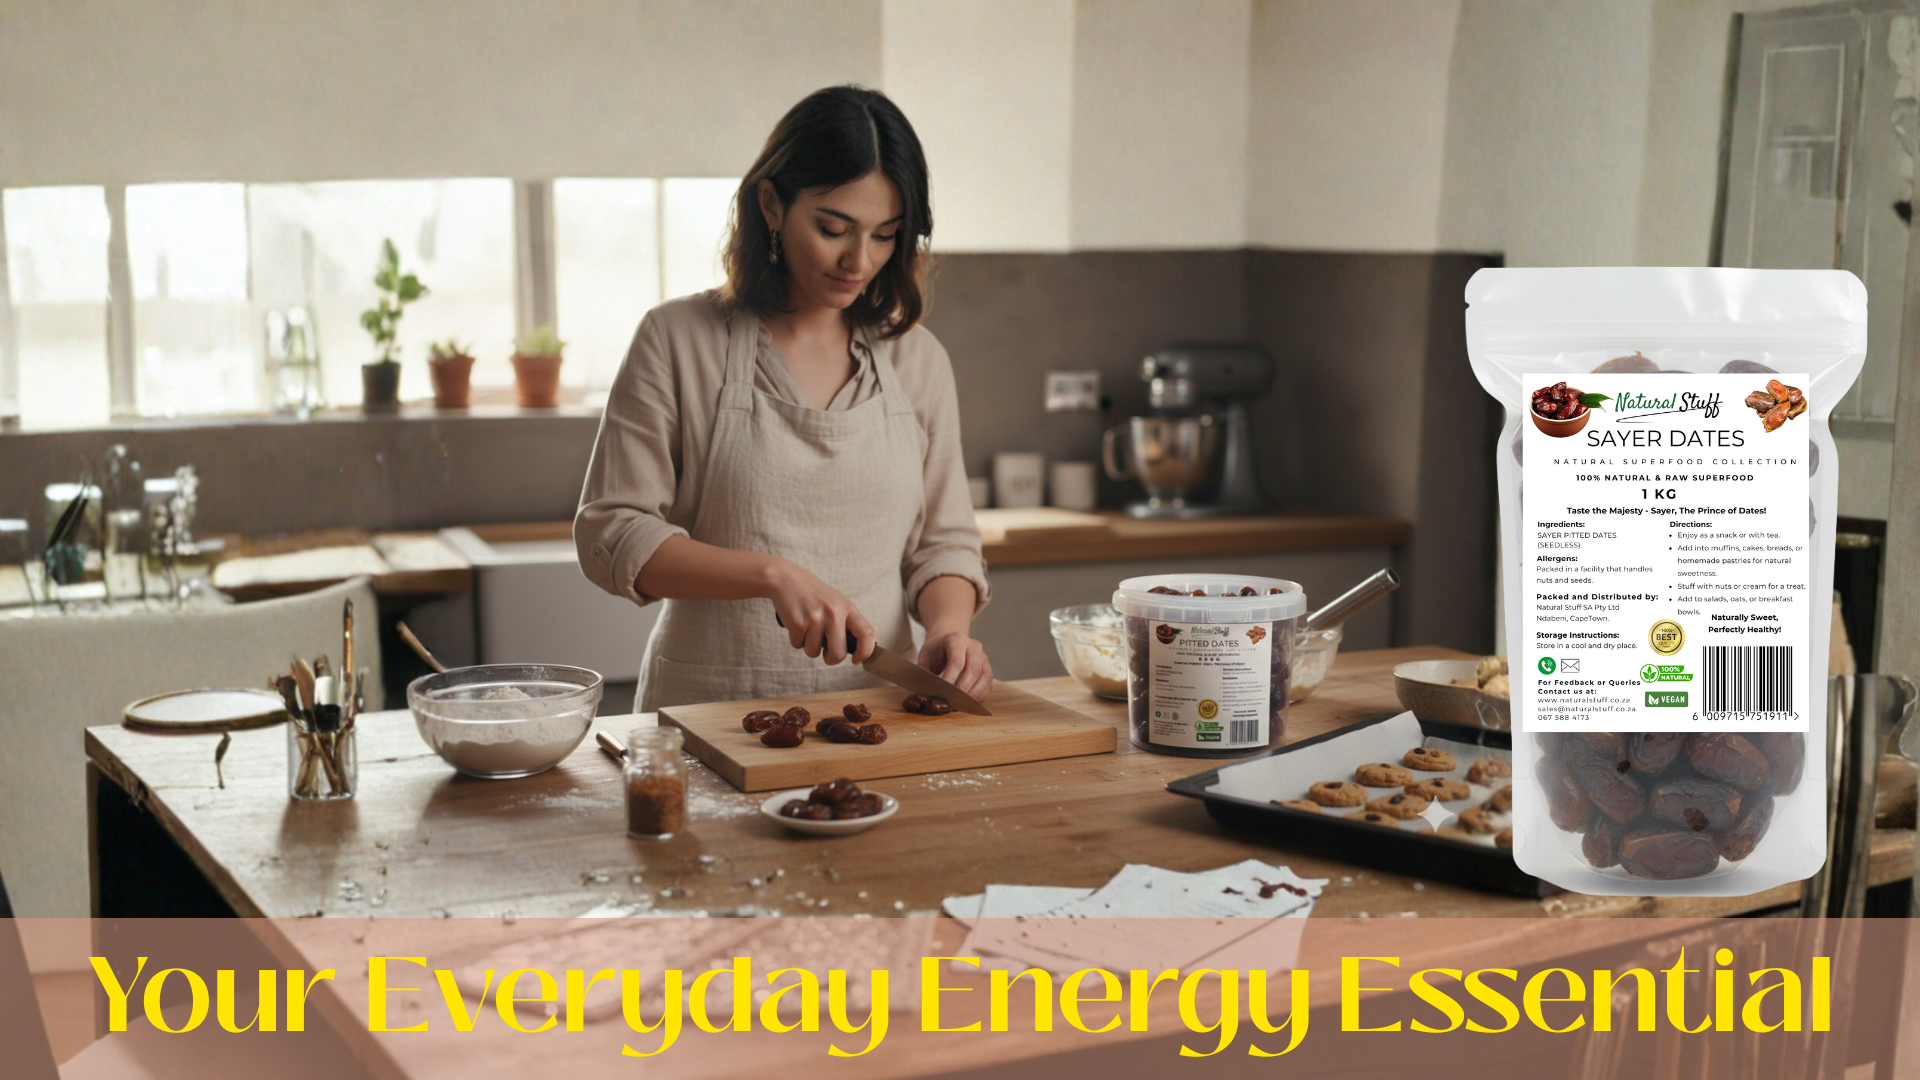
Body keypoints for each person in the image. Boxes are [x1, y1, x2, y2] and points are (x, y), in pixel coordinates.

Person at [575, 85, 992, 712]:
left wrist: (949, 630)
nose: (859, 260)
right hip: (708, 713)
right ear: (771, 204)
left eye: (885, 236)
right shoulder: (676, 338)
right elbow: (611, 530)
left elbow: (945, 543)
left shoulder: (918, 359)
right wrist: (772, 574)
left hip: (877, 714)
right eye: (833, 229)